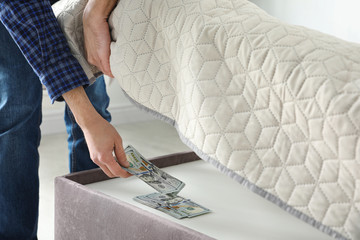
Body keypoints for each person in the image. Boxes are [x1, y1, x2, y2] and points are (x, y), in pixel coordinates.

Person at [0, 0, 129, 239]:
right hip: (18, 7)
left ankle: (91, 229)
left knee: (95, 103)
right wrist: (87, 121)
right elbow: (26, 11)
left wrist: (94, 14)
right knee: (17, 116)